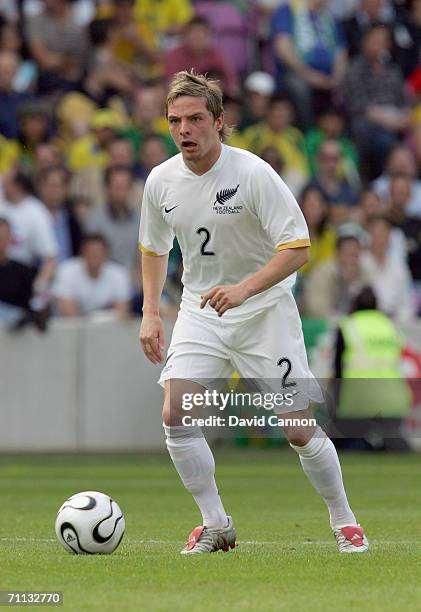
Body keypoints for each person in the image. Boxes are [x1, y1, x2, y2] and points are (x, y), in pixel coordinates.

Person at [138, 71, 369, 555]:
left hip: (265, 310)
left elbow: (298, 247)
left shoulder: (254, 173)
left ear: (220, 122)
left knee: (298, 428)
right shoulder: (160, 181)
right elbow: (154, 248)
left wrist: (245, 289)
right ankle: (215, 523)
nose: (185, 129)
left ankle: (344, 519)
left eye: (196, 118)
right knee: (175, 412)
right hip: (202, 311)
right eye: (175, 120)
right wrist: (150, 313)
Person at [332, 287, 411, 451]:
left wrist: (336, 402)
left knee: (342, 441)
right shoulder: (389, 326)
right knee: (392, 439)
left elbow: (337, 369)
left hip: (358, 398)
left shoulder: (348, 326)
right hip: (394, 399)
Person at [53, 233, 131, 318]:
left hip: (107, 328)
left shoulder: (119, 274)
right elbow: (69, 314)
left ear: (106, 254)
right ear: (82, 253)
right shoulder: (66, 271)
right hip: (71, 328)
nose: (95, 256)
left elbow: (122, 312)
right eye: (91, 253)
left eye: (98, 253)